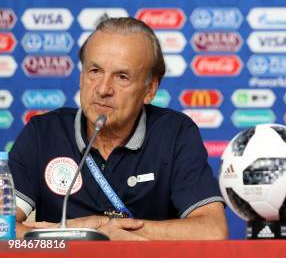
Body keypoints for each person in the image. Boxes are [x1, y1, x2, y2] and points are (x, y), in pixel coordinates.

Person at [10, 17, 228, 240]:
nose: (103, 89)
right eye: (95, 71)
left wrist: (111, 232)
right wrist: (88, 232)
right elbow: (1, 229)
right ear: (82, 75)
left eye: (122, 77)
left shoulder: (175, 133)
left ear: (150, 88)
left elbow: (212, 231)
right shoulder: (43, 133)